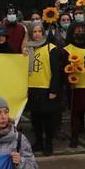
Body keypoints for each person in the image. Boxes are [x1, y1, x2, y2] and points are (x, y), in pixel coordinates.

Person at [24, 21, 65, 156]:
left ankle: (48, 143)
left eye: (39, 31)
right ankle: (38, 142)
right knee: (35, 119)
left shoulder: (51, 48)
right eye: (34, 32)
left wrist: (54, 90)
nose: (37, 34)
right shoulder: (27, 49)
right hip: (32, 88)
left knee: (48, 119)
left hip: (45, 88)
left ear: (43, 33)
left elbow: (56, 71)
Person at [63, 21, 85, 149]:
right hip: (76, 87)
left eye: (82, 30)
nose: (80, 32)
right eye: (77, 30)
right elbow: (63, 69)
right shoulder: (68, 49)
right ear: (72, 33)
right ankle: (74, 137)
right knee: (75, 115)